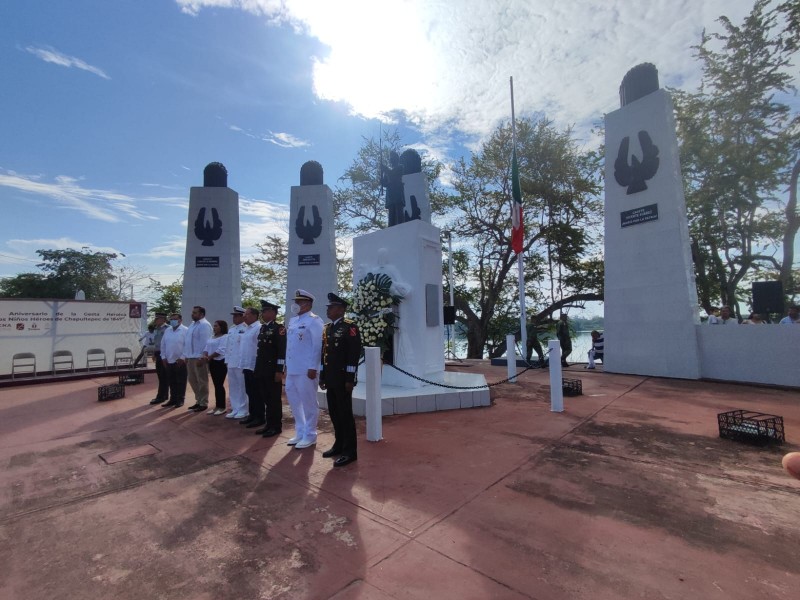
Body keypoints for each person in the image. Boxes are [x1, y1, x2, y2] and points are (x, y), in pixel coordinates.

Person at [319, 293, 362, 467]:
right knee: (335, 414)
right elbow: (324, 355)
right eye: (329, 307)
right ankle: (338, 444)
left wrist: (350, 379)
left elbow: (353, 356)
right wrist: (322, 376)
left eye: (332, 307)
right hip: (330, 379)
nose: (328, 309)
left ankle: (349, 451)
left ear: (341, 309)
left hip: (343, 379)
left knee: (345, 415)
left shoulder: (350, 327)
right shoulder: (328, 328)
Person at [285, 289, 324, 449]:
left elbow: (317, 346)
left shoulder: (315, 321)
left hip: (306, 369)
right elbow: (290, 346)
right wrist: (286, 366)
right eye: (295, 302)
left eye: (299, 302)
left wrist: (313, 367)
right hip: (292, 368)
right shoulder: (293, 321)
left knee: (309, 403)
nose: (296, 305)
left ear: (307, 304)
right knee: (294, 402)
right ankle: (300, 431)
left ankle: (311, 434)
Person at [254, 300, 287, 438]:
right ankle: (269, 424)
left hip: (272, 370)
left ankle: (276, 426)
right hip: (262, 368)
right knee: (265, 397)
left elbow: (281, 351)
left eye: (265, 311)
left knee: (274, 399)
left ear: (273, 313)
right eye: (262, 311)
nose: (262, 313)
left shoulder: (279, 329)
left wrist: (279, 370)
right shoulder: (263, 328)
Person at [239, 306, 265, 429]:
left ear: (255, 316)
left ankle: (259, 417)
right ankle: (252, 414)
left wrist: (257, 366)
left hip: (255, 365)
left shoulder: (258, 328)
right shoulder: (246, 328)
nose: (244, 316)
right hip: (246, 365)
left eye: (247, 314)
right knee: (249, 391)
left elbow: (259, 349)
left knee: (257, 393)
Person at [184, 305, 213, 412]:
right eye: (192, 312)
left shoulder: (205, 325)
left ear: (202, 314)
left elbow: (206, 343)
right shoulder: (192, 325)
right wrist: (186, 355)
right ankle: (198, 400)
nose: (192, 314)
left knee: (202, 381)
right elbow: (187, 342)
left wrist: (202, 357)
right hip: (191, 357)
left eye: (195, 312)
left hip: (199, 357)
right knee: (192, 380)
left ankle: (203, 402)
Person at [224, 307, 248, 419]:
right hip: (231, 362)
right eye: (233, 316)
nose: (234, 318)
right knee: (233, 387)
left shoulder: (246, 328)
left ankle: (243, 409)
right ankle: (235, 408)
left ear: (243, 316)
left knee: (241, 387)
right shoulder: (232, 329)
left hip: (240, 363)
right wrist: (227, 360)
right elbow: (228, 346)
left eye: (236, 316)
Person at [160, 313, 188, 408]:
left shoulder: (185, 330)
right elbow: (163, 344)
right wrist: (163, 357)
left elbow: (187, 346)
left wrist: (182, 357)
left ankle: (180, 400)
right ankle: (173, 399)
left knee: (180, 381)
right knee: (171, 381)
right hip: (169, 360)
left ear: (180, 320)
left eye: (175, 319)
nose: (172, 321)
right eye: (171, 319)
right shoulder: (168, 330)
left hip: (180, 361)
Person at [201, 320, 228, 415]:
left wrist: (209, 357)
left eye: (216, 326)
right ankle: (217, 406)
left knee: (219, 384)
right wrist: (205, 355)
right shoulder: (212, 337)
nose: (214, 327)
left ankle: (222, 407)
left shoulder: (225, 337)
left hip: (220, 363)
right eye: (214, 326)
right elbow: (206, 348)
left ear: (222, 327)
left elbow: (221, 350)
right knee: (216, 385)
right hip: (212, 362)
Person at [148, 313, 170, 405]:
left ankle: (160, 396)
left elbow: (168, 342)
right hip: (158, 353)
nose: (155, 320)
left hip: (164, 354)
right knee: (161, 376)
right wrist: (154, 353)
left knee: (164, 375)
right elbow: (156, 342)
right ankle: (164, 395)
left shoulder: (168, 328)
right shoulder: (157, 329)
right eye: (155, 318)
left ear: (163, 319)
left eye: (157, 318)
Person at [380, 150, 405, 227]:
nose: (391, 159)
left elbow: (393, 176)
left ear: (396, 158)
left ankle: (401, 228)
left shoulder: (400, 167)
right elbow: (385, 183)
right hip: (390, 193)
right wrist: (382, 181)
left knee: (399, 212)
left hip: (397, 192)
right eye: (390, 158)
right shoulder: (388, 171)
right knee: (391, 214)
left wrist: (385, 169)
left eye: (393, 157)